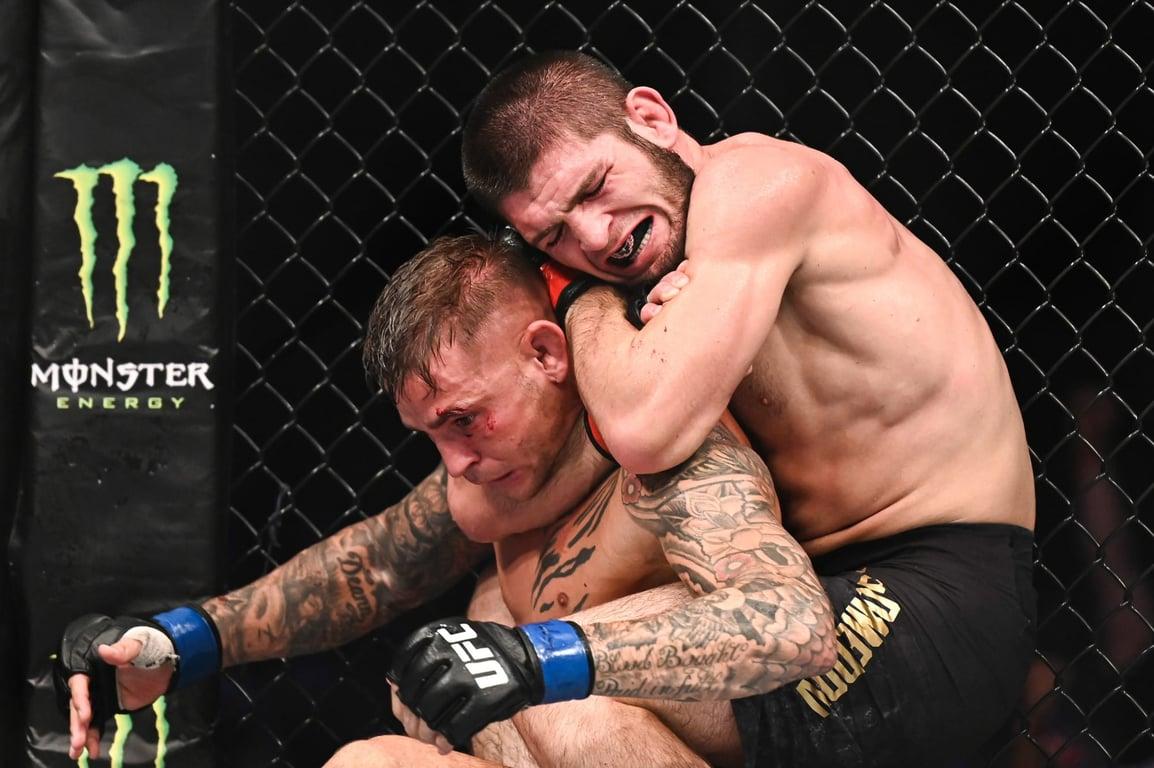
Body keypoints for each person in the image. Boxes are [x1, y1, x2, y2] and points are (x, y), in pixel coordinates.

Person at [389, 50, 1037, 766]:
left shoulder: (757, 188)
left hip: (938, 592)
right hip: (814, 581)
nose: (596, 237)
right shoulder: (659, 260)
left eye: (596, 188)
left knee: (553, 685)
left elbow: (642, 431)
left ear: (651, 118)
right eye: (556, 238)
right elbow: (482, 501)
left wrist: (573, 291)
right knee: (481, 674)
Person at [58, 233, 830, 767]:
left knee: (554, 701)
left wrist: (537, 660)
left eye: (464, 419)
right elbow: (373, 568)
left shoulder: (665, 446)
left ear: (546, 353)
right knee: (368, 761)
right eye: (431, 434)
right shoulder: (497, 477)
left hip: (752, 730)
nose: (454, 459)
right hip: (552, 744)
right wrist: (176, 642)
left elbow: (792, 622)